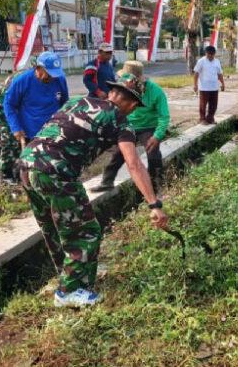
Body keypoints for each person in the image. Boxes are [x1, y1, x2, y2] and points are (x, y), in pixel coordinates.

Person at [19, 80, 168, 308]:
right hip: (56, 172)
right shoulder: (119, 119)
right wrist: (153, 203)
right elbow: (134, 163)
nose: (133, 111)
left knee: (54, 228)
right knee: (86, 231)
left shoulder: (77, 100)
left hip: (26, 166)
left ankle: (69, 275)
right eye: (135, 106)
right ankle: (69, 291)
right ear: (129, 102)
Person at [93, 61, 170, 194]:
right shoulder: (120, 90)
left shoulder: (155, 91)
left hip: (148, 127)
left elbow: (164, 116)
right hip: (127, 126)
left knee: (153, 154)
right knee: (119, 154)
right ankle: (107, 182)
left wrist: (157, 135)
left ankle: (156, 186)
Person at [4, 51, 69, 145]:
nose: (52, 77)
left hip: (54, 131)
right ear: (38, 68)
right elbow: (9, 104)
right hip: (32, 132)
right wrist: (16, 128)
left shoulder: (60, 79)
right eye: (49, 73)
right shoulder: (23, 80)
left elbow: (65, 103)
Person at [193, 46, 225, 125]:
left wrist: (223, 83)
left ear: (214, 54)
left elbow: (219, 74)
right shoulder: (201, 61)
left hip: (214, 87)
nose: (210, 56)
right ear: (206, 53)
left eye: (212, 54)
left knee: (213, 105)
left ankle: (210, 118)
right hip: (204, 87)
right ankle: (202, 119)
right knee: (203, 105)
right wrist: (195, 85)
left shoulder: (217, 61)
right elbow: (196, 73)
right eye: (209, 54)